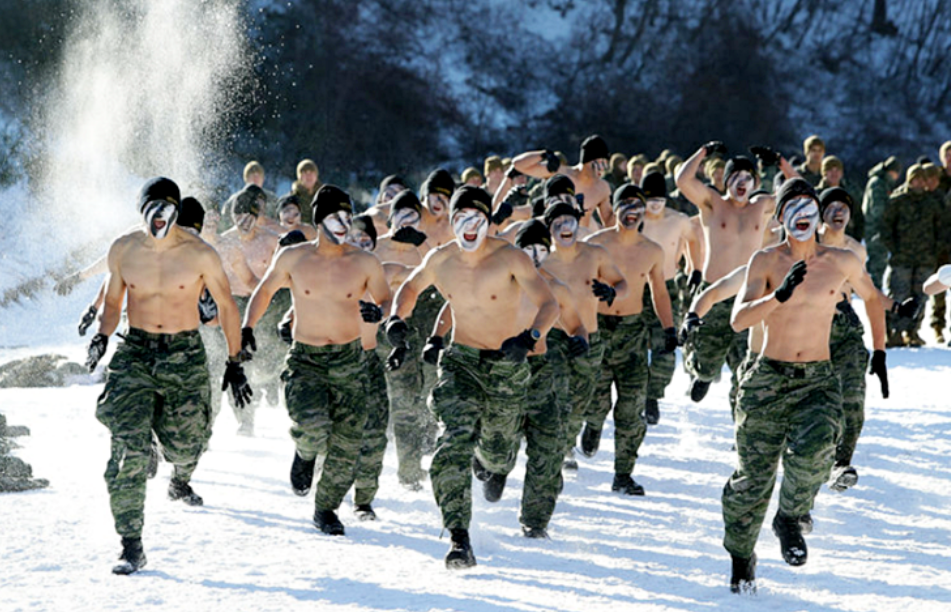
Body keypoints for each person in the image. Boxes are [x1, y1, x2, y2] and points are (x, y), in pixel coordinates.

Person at [723, 178, 886, 594]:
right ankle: (741, 558)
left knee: (816, 453)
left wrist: (883, 345)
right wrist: (778, 296)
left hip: (817, 380)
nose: (802, 214)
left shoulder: (841, 261)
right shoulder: (766, 260)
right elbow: (738, 320)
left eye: (808, 205)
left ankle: (790, 517)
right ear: (780, 217)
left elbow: (872, 297)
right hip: (767, 380)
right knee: (752, 480)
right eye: (792, 206)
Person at [386, 185, 559, 568]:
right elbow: (411, 288)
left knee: (497, 453)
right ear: (451, 220)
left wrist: (529, 338)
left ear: (488, 222)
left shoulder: (511, 258)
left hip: (506, 366)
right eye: (461, 217)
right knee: (452, 444)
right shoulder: (441, 258)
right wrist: (397, 319)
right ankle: (459, 538)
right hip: (460, 363)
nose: (469, 226)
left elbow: (549, 304)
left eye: (478, 219)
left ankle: (491, 462)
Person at [87, 177, 251, 575]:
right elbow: (114, 302)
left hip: (184, 354)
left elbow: (227, 307)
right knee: (126, 451)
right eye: (153, 210)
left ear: (177, 212)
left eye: (167, 210)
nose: (160, 218)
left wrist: (235, 362)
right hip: (136, 352)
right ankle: (131, 544)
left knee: (188, 445)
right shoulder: (124, 249)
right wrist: (102, 336)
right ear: (142, 210)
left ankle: (170, 455)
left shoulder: (199, 254)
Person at [241, 184, 391, 536]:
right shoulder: (294, 258)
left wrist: (379, 312)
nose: (344, 223)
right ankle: (305, 453)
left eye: (348, 216)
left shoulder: (364, 262)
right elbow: (264, 291)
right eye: (336, 216)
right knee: (312, 427)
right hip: (306, 358)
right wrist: (247, 327)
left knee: (347, 442)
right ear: (320, 219)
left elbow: (386, 299)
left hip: (350, 359)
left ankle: (326, 509)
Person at [817, 187, 918, 491]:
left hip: (845, 331)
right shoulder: (806, 243)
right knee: (817, 404)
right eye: (832, 207)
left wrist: (894, 312)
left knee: (852, 399)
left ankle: (841, 464)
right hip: (808, 329)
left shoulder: (855, 251)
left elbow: (869, 293)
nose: (838, 213)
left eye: (844, 208)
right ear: (821, 212)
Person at [582, 185, 675, 495]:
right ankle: (593, 424)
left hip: (633, 334)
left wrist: (669, 329)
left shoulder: (652, 250)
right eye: (626, 205)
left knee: (632, 407)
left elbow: (659, 292)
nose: (632, 211)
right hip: (598, 330)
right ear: (616, 209)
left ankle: (623, 475)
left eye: (638, 205)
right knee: (597, 400)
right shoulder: (596, 244)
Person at [535, 182, 628, 470]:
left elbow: (622, 283)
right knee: (558, 395)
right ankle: (555, 454)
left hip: (588, 337)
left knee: (580, 400)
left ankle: (567, 442)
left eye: (570, 221)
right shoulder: (541, 258)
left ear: (578, 223)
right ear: (548, 227)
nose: (565, 227)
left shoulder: (595, 254)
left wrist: (612, 292)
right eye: (558, 223)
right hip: (553, 337)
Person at [675, 144, 779, 402]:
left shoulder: (761, 206)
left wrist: (780, 162)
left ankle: (741, 409)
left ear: (755, 182)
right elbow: (682, 180)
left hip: (747, 293)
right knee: (705, 360)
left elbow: (799, 196)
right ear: (726, 180)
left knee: (746, 363)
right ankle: (704, 374)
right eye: (736, 177)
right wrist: (703, 152)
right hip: (713, 293)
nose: (742, 183)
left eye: (747, 177)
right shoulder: (713, 203)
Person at [215, 185, 281, 433]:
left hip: (262, 303)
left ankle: (270, 383)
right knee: (236, 359)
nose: (244, 222)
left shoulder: (270, 240)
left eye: (249, 216)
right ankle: (245, 417)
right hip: (231, 303)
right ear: (232, 216)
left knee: (264, 356)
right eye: (239, 216)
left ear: (257, 216)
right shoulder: (225, 242)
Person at [639, 171, 701, 424]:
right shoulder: (633, 218)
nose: (654, 204)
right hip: (635, 289)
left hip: (666, 288)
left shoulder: (678, 220)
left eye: (659, 199)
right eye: (649, 199)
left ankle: (653, 394)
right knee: (633, 349)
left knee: (666, 347)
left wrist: (695, 268)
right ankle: (637, 395)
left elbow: (693, 240)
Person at [882, 164, 942, 347]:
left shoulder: (932, 203)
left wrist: (935, 250)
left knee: (920, 296)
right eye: (915, 179)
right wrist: (895, 248)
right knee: (898, 294)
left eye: (922, 179)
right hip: (902, 259)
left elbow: (941, 229)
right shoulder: (898, 201)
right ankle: (895, 332)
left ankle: (913, 331)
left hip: (925, 259)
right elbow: (885, 227)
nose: (918, 183)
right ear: (909, 180)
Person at [512, 134, 613, 230]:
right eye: (600, 163)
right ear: (587, 161)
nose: (602, 168)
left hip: (579, 239)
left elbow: (609, 222)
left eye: (605, 163)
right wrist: (544, 155)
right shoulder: (560, 173)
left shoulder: (602, 188)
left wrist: (619, 207)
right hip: (551, 236)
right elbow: (518, 164)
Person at [861, 155, 902, 289]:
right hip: (876, 230)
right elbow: (878, 209)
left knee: (878, 264)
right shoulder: (878, 184)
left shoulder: (881, 182)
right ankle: (874, 293)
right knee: (877, 265)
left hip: (877, 229)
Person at [815, 156, 863, 241]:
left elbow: (858, 217)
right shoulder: (816, 194)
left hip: (847, 239)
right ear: (824, 173)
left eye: (837, 170)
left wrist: (857, 238)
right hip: (824, 240)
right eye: (830, 170)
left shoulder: (849, 193)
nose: (834, 173)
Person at [288, 159, 321, 226]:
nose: (309, 176)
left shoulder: (325, 197)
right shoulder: (292, 199)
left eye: (312, 172)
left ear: (316, 176)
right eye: (305, 172)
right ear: (299, 177)